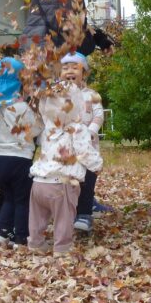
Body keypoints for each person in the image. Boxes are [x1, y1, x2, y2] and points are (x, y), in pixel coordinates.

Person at [28, 80, 103, 256]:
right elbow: (85, 152)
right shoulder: (76, 128)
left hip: (38, 182)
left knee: (37, 217)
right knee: (64, 218)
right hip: (62, 183)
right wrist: (97, 165)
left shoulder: (47, 129)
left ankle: (35, 242)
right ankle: (62, 247)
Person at [0, 58, 43, 246]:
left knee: (8, 196)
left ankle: (1, 232)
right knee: (22, 200)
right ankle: (21, 237)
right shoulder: (21, 108)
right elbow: (35, 130)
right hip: (19, 159)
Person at [59, 52, 107, 233]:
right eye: (65, 68)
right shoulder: (59, 95)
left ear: (84, 73)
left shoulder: (91, 95)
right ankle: (67, 213)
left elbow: (99, 115)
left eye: (74, 67)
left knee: (87, 181)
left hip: (87, 148)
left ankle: (85, 214)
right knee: (67, 182)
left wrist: (91, 131)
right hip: (67, 147)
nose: (69, 71)